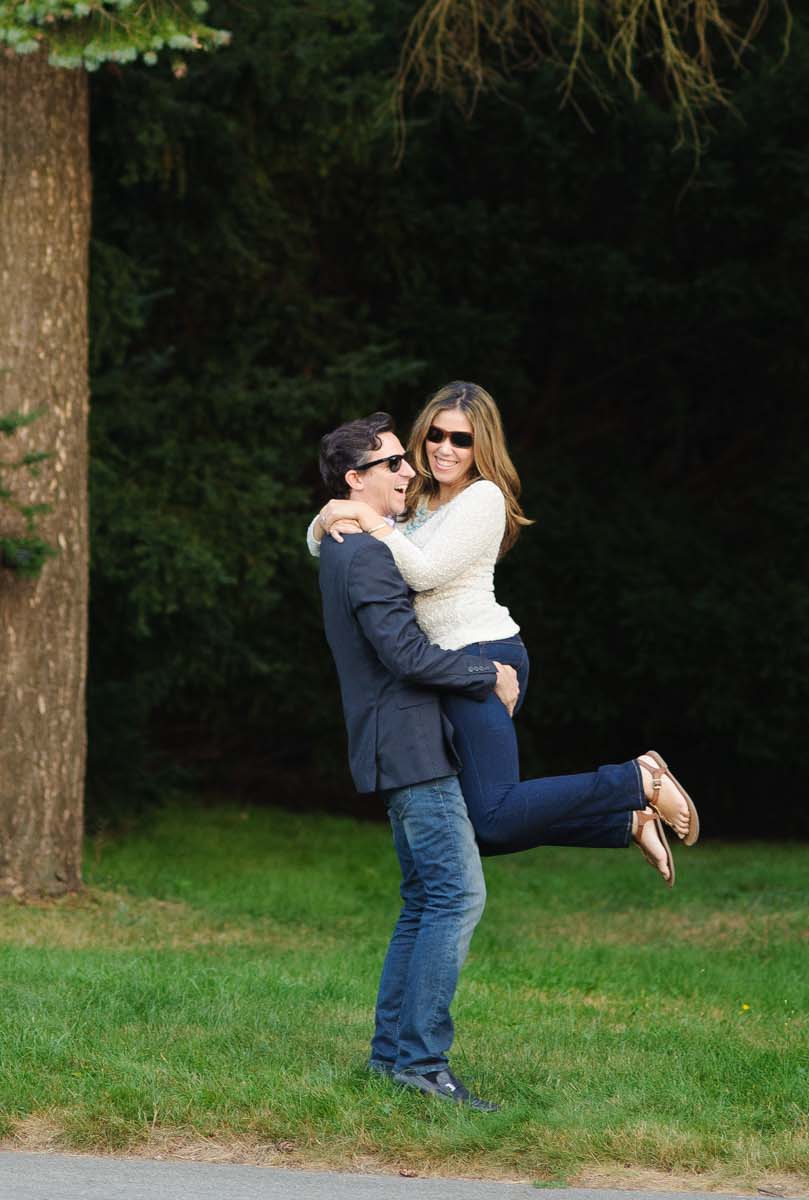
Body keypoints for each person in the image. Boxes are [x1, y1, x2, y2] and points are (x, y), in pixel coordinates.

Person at [310, 380, 698, 886]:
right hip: (443, 666)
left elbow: (423, 572)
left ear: (481, 446)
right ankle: (626, 822)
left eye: (461, 440)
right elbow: (340, 542)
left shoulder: (483, 498)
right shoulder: (416, 498)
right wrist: (325, 520)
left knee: (492, 815)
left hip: (483, 653)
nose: (444, 449)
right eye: (436, 435)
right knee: (484, 829)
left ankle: (637, 778)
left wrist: (363, 515)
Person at [315, 409, 520, 1111]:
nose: (411, 469)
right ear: (356, 479)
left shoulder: (349, 541)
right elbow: (404, 654)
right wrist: (486, 674)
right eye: (393, 462)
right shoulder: (367, 554)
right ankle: (423, 1066)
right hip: (410, 747)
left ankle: (390, 1059)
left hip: (398, 743)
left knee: (425, 900)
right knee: (457, 896)